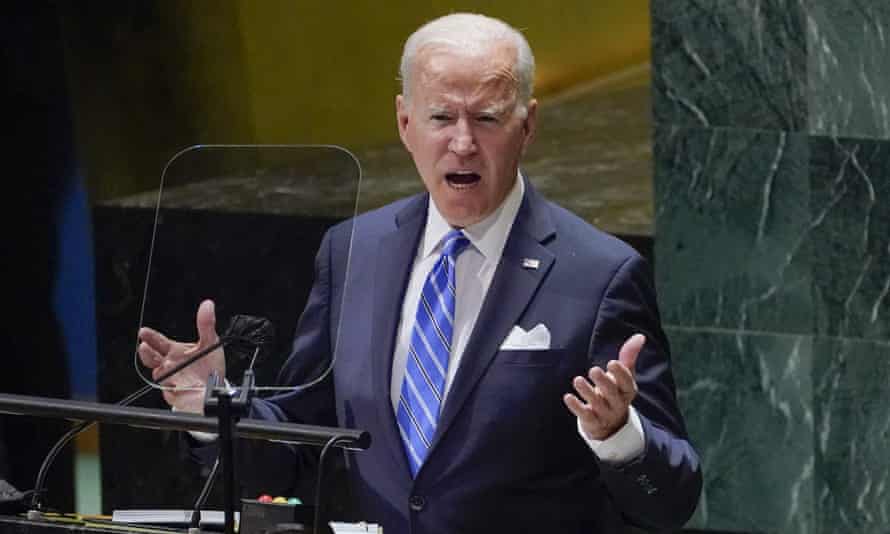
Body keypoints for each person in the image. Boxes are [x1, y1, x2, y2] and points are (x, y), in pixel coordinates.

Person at [138, 13, 702, 533]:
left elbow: (671, 499)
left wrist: (618, 436)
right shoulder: (353, 250)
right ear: (405, 122)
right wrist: (212, 408)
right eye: (440, 117)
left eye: (486, 118)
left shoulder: (600, 274)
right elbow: (298, 451)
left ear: (527, 127)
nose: (462, 143)